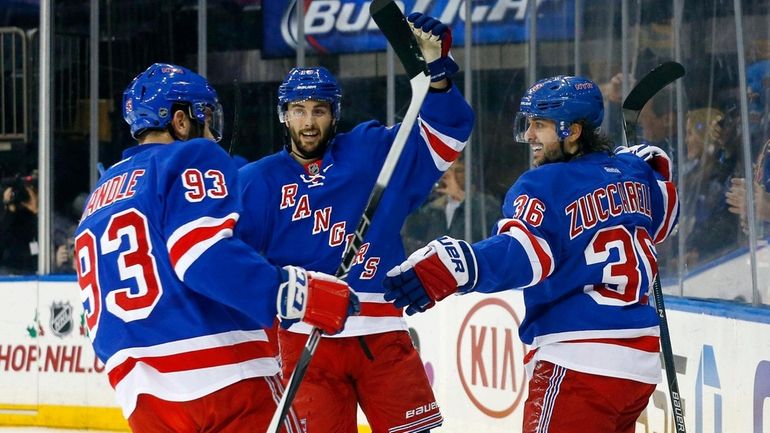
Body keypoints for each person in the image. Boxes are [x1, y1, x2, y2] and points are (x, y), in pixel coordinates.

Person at [383, 75, 680, 433]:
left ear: (571, 131)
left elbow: (523, 255)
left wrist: (458, 265)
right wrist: (655, 166)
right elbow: (665, 217)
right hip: (638, 367)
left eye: (540, 125)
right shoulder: (632, 174)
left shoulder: (542, 184)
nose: (530, 136)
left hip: (577, 360)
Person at [73, 63, 359, 433]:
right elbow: (201, 255)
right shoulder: (189, 157)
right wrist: (298, 293)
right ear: (180, 121)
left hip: (141, 396)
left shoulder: (99, 196)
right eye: (205, 118)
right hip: (225, 378)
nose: (211, 132)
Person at [238, 12, 474, 433]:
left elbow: (446, 133)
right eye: (298, 111)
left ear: (335, 113)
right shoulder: (256, 182)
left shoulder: (368, 150)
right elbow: (232, 261)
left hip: (381, 329)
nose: (309, 122)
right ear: (283, 115)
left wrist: (436, 75)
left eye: (319, 110)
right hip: (303, 337)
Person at [402, 158, 501, 254]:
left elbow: (488, 237)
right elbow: (412, 234)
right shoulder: (433, 208)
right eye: (448, 171)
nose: (452, 177)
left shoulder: (486, 205)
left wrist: (461, 196)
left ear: (470, 173)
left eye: (458, 171)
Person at [0, 173, 38, 274]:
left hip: (32, 268)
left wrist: (36, 212)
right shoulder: (9, 216)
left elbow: (40, 243)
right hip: (9, 268)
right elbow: (3, 241)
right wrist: (9, 209)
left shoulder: (42, 218)